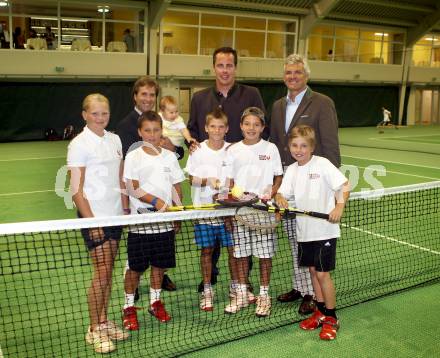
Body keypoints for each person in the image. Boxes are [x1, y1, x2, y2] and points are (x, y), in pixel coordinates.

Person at [187, 47, 265, 291]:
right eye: (220, 65)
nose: (224, 70)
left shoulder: (252, 94)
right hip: (211, 177)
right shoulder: (199, 98)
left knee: (239, 234)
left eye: (229, 65)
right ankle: (209, 279)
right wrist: (189, 146)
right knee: (211, 238)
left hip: (241, 177)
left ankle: (242, 280)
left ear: (235, 68)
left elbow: (263, 128)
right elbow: (192, 131)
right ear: (214, 67)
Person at [270, 53, 341, 315]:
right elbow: (276, 144)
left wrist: (332, 190)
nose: (293, 77)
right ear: (283, 76)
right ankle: (301, 287)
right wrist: (276, 181)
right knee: (295, 237)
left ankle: (314, 295)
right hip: (288, 178)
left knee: (310, 235)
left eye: (298, 72)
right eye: (288, 72)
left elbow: (331, 147)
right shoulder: (278, 105)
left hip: (314, 179)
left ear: (306, 75)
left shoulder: (322, 103)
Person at [275, 125, 349, 340]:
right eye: (295, 145)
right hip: (304, 232)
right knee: (313, 273)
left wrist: (339, 206)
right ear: (289, 147)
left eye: (304, 146)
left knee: (323, 274)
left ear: (311, 147)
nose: (299, 150)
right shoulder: (292, 170)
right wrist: (280, 198)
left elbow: (344, 185)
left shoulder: (322, 164)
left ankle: (332, 317)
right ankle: (320, 311)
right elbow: (283, 193)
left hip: (324, 230)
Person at [67, 94, 129, 354]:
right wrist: (92, 223)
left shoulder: (114, 139)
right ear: (84, 115)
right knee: (102, 272)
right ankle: (94, 328)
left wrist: (126, 208)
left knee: (108, 270)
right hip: (95, 218)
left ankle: (103, 320)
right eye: (95, 113)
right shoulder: (79, 144)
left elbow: (121, 177)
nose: (100, 118)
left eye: (104, 113)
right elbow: (75, 189)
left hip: (116, 215)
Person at [116, 76, 179, 295]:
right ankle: (129, 302)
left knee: (159, 261)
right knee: (135, 264)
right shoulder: (126, 126)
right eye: (144, 94)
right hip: (139, 214)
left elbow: (174, 161)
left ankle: (155, 298)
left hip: (163, 218)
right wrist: (125, 207)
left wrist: (176, 211)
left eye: (152, 94)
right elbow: (125, 173)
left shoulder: (161, 122)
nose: (148, 98)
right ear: (135, 96)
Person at [122, 111, 185, 330]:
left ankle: (155, 302)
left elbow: (176, 186)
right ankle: (129, 308)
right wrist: (156, 201)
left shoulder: (169, 156)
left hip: (165, 223)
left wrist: (177, 211)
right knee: (135, 269)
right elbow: (132, 187)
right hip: (140, 225)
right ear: (140, 132)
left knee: (159, 266)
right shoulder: (133, 156)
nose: (152, 135)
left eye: (156, 130)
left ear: (162, 131)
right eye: (147, 130)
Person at [223, 107, 283, 317]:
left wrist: (272, 192)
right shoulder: (232, 150)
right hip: (240, 211)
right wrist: (230, 209)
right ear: (241, 126)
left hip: (263, 212)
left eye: (256, 124)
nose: (251, 128)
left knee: (264, 256)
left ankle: (264, 295)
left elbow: (278, 177)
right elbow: (230, 183)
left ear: (262, 127)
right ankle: (241, 292)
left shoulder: (271, 149)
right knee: (240, 255)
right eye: (247, 124)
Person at [184, 108, 239, 311]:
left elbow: (234, 180)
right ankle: (207, 290)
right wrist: (207, 181)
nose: (217, 130)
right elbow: (190, 178)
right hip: (204, 212)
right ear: (206, 128)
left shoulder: (232, 150)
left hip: (227, 212)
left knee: (233, 251)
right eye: (213, 126)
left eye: (221, 126)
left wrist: (227, 197)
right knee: (207, 251)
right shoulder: (197, 150)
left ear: (227, 129)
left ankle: (236, 289)